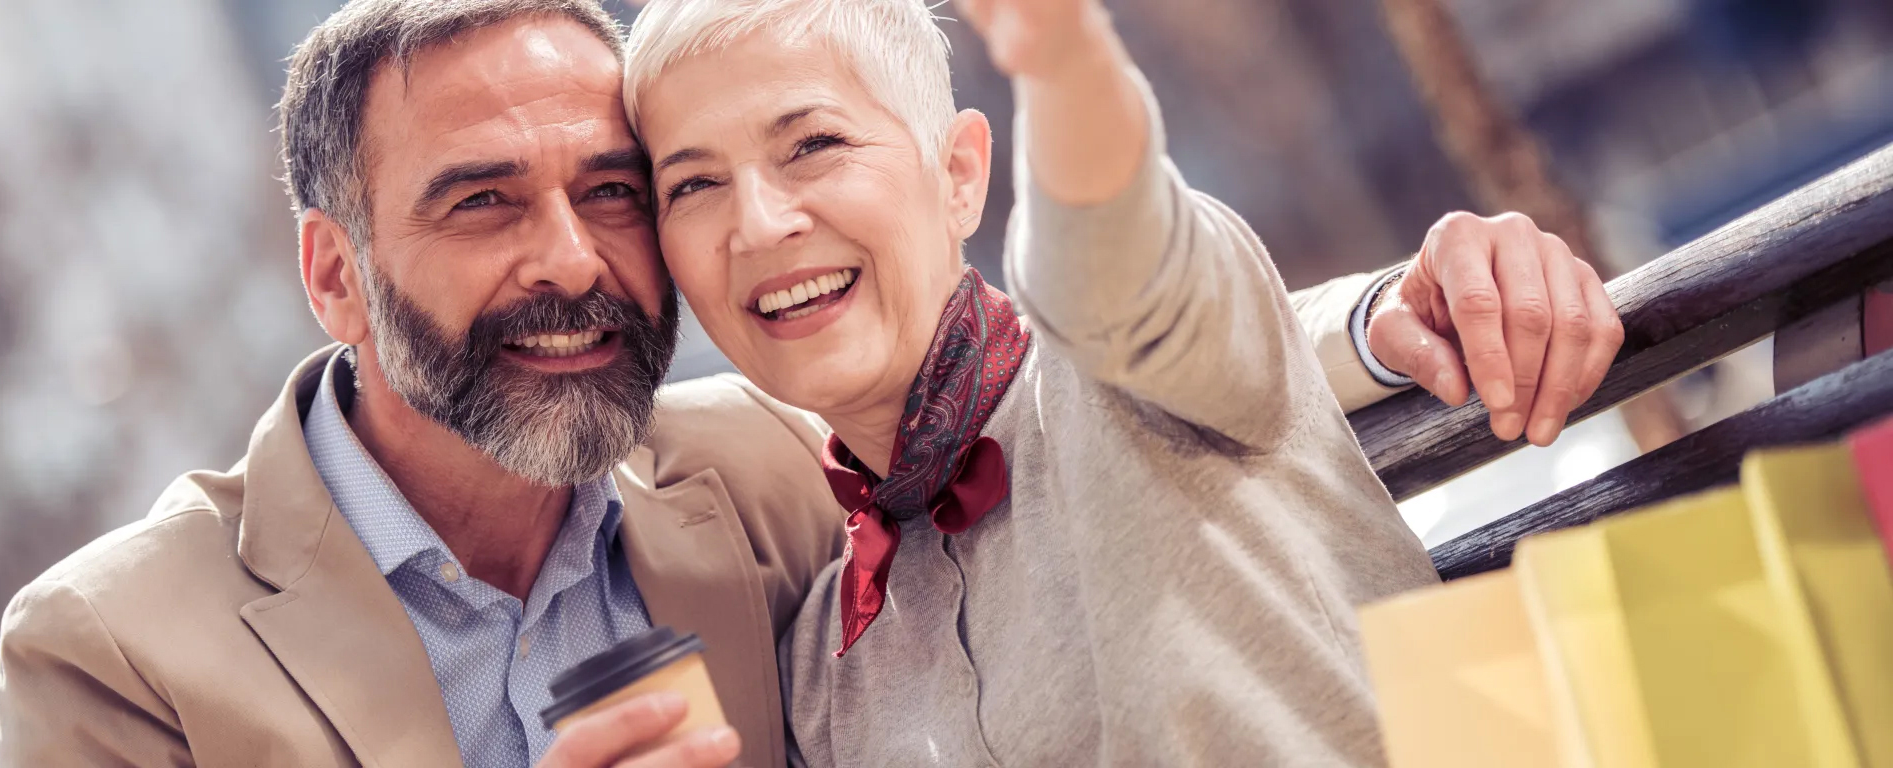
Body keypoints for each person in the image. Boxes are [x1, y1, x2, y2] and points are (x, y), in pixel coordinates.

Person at [0, 1, 1620, 767]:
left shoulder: (753, 479)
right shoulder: (115, 647)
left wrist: (1395, 322)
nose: (571, 258)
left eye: (614, 189)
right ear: (335, 271)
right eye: (482, 201)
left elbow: (1119, 313)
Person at [621, 0, 1622, 765]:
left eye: (814, 145)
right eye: (694, 185)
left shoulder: (1136, 370)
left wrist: (1063, 62)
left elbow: (1110, 260)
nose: (757, 222)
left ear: (961, 175)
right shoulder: (817, 680)